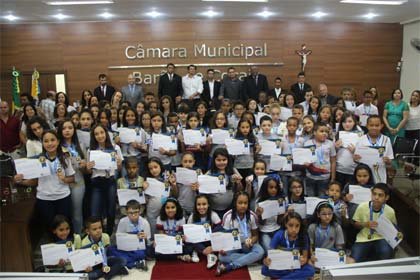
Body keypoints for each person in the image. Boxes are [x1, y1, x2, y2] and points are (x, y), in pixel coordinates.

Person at [14, 131, 74, 229]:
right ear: (42, 143)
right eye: (46, 141)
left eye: (52, 140)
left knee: (65, 226)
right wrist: (20, 181)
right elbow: (34, 181)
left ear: (58, 141)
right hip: (44, 199)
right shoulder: (37, 160)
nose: (50, 143)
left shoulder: (64, 157)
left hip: (63, 197)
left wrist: (64, 179)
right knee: (50, 227)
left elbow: (72, 178)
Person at [216, 191, 264, 276]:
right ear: (235, 203)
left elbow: (255, 235)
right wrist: (223, 248)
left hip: (248, 245)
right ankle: (250, 259)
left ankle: (231, 266)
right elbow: (225, 237)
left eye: (245, 203)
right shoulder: (227, 216)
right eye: (240, 203)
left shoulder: (252, 216)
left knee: (260, 251)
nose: (243, 206)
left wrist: (251, 241)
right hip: (233, 245)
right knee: (221, 256)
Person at [86, 124, 123, 235]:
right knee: (95, 211)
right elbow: (89, 171)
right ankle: (97, 234)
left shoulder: (115, 148)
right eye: (96, 134)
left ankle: (109, 234)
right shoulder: (91, 150)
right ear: (93, 136)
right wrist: (88, 168)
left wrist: (119, 163)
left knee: (111, 210)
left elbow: (119, 168)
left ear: (106, 133)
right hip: (96, 182)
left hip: (110, 181)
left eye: (101, 132)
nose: (100, 136)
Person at [351, 183, 398, 262]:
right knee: (354, 258)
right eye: (374, 194)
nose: (376, 197)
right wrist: (365, 224)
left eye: (380, 195)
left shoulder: (390, 211)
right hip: (364, 238)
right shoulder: (362, 206)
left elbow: (394, 227)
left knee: (386, 254)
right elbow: (355, 224)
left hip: (382, 238)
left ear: (386, 197)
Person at [261, 212, 315, 279]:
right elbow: (269, 255)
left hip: (296, 266)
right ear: (286, 224)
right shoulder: (279, 235)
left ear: (300, 225)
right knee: (264, 269)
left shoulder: (304, 236)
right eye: (290, 225)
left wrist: (302, 260)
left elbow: (305, 257)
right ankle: (296, 277)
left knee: (310, 270)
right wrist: (266, 261)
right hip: (281, 266)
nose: (294, 229)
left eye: (297, 226)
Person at [57, 119, 87, 234]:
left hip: (77, 183)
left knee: (77, 213)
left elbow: (85, 170)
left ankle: (78, 236)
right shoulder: (57, 146)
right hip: (61, 184)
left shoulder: (80, 146)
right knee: (63, 214)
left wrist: (84, 165)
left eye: (70, 128)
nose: (67, 131)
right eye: (64, 128)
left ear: (74, 130)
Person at [110, 200, 151, 270]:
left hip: (138, 249)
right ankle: (136, 263)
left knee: (141, 254)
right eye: (130, 213)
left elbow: (149, 243)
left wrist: (145, 238)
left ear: (140, 211)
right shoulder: (122, 221)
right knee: (110, 249)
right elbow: (118, 239)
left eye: (136, 212)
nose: (134, 215)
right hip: (125, 248)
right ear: (126, 213)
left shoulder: (145, 223)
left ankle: (126, 262)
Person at [354, 115, 393, 184]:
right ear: (367, 126)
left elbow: (390, 160)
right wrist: (355, 158)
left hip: (379, 174)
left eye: (377, 125)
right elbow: (356, 159)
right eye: (371, 125)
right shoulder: (361, 139)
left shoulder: (386, 140)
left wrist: (388, 161)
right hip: (364, 176)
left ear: (381, 126)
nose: (374, 128)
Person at [186, 194, 221, 268]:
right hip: (198, 241)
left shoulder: (213, 215)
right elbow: (188, 234)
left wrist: (212, 246)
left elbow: (220, 231)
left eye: (204, 204)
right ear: (195, 206)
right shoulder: (192, 217)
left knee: (218, 230)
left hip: (210, 240)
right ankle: (208, 254)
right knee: (189, 239)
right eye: (198, 204)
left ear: (208, 205)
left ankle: (201, 251)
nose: (201, 207)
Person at [304, 123, 336, 197]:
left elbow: (333, 161)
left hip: (324, 178)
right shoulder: (307, 143)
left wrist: (333, 178)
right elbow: (304, 159)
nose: (324, 133)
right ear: (314, 132)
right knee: (310, 198)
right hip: (310, 176)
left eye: (326, 132)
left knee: (322, 198)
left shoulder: (330, 144)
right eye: (321, 131)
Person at [155, 197, 192, 262]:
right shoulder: (159, 218)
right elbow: (161, 235)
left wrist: (183, 238)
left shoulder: (182, 219)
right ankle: (179, 256)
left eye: (173, 207)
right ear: (164, 209)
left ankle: (174, 256)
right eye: (167, 208)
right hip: (166, 242)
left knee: (189, 247)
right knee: (154, 251)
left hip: (176, 242)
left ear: (177, 208)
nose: (170, 210)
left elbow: (181, 234)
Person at [255, 176, 285, 252]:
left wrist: (283, 213)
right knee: (270, 250)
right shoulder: (259, 201)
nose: (273, 190)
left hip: (277, 229)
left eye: (275, 187)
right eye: (271, 187)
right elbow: (261, 223)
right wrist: (260, 215)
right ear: (265, 188)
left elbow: (279, 222)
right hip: (265, 231)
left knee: (284, 249)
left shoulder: (280, 200)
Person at [405, 90, 420, 161]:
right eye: (413, 95)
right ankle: (408, 165)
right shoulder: (406, 105)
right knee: (408, 149)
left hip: (417, 130)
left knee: (417, 149)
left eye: (416, 96)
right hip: (407, 130)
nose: (414, 97)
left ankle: (416, 166)